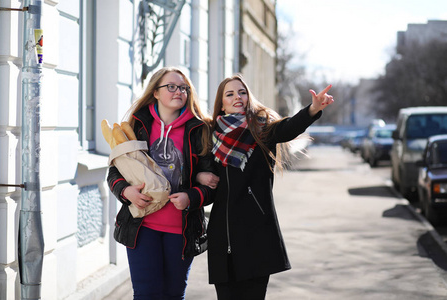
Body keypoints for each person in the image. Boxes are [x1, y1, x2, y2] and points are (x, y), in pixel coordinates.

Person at [206, 74, 334, 299]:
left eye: (242, 92)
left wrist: (312, 109)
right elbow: (204, 174)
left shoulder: (261, 129)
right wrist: (200, 179)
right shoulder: (211, 136)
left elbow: (288, 127)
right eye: (230, 94)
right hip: (222, 236)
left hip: (255, 233)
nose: (237, 97)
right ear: (222, 104)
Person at [107, 66, 217, 299]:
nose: (178, 92)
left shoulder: (200, 130)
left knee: (173, 295)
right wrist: (126, 192)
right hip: (142, 227)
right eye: (171, 87)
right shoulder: (137, 126)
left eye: (183, 88)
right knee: (147, 294)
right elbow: (115, 172)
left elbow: (211, 185)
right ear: (155, 92)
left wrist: (192, 196)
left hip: (182, 229)